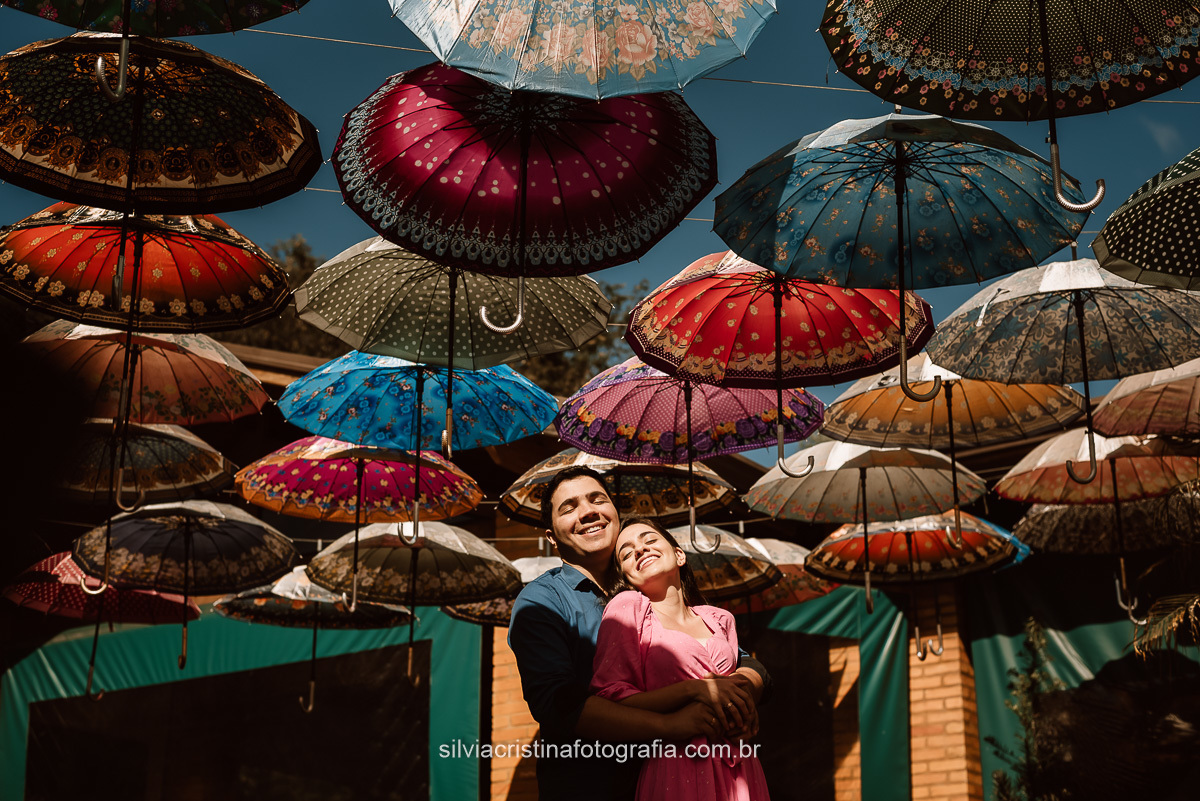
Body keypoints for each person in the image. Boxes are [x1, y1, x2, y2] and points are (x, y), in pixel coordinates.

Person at [508, 465, 769, 801]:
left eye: (597, 499)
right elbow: (558, 706)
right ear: (551, 536)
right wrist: (672, 727)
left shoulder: (652, 589)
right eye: (569, 507)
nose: (588, 512)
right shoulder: (542, 601)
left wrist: (739, 696)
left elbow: (745, 663)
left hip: (691, 778)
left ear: (615, 515)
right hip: (593, 787)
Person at [592, 518, 770, 801]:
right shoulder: (628, 608)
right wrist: (696, 690)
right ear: (625, 576)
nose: (639, 550)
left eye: (649, 540)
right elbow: (611, 697)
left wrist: (744, 705)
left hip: (740, 763)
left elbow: (742, 678)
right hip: (678, 763)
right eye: (626, 553)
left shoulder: (719, 618)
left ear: (679, 555)